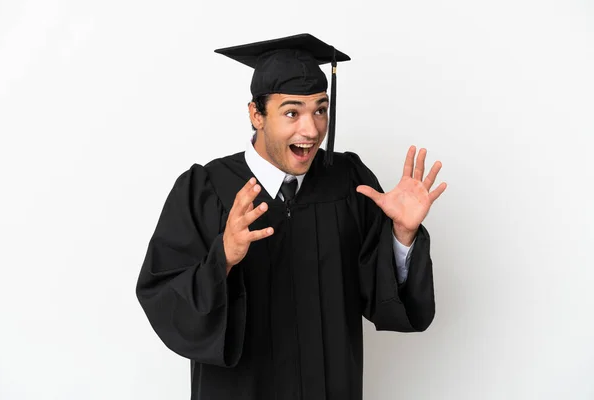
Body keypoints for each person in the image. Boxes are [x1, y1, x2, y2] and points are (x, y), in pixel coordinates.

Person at [135, 33, 447, 400]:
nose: (311, 129)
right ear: (256, 114)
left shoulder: (348, 184)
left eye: (320, 109)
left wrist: (402, 236)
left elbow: (382, 298)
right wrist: (223, 259)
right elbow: (163, 298)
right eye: (291, 112)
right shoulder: (206, 190)